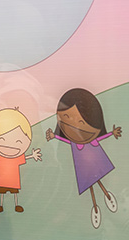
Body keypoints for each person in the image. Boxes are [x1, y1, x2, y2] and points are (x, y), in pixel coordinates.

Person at [45, 88, 123, 229]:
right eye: (66, 118)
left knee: (99, 181)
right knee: (90, 187)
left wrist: (112, 133)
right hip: (81, 169)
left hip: (94, 163)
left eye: (81, 122)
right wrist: (53, 136)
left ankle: (108, 197)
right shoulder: (70, 146)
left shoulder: (89, 140)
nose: (73, 124)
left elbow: (101, 137)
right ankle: (95, 209)